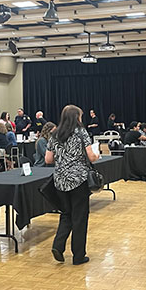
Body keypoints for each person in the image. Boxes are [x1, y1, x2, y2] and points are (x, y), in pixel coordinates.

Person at [46, 105, 99, 265]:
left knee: (66, 214)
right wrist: (96, 155)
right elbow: (91, 157)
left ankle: (58, 245)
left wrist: (64, 159)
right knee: (80, 218)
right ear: (76, 117)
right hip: (78, 180)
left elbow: (48, 159)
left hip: (60, 181)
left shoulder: (54, 134)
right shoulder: (81, 132)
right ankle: (78, 256)